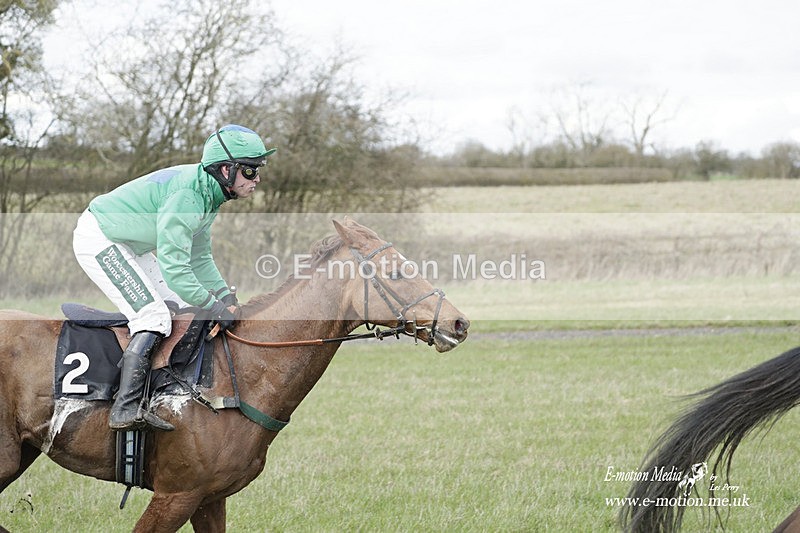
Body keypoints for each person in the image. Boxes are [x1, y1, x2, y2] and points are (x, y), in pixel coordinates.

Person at [73, 124, 275, 432]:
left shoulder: (209, 193)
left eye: (258, 170)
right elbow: (176, 269)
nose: (257, 178)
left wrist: (224, 297)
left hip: (130, 243)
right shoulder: (188, 197)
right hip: (101, 238)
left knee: (187, 307)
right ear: (225, 169)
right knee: (153, 317)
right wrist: (214, 303)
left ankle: (169, 389)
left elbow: (199, 257)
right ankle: (125, 408)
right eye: (249, 171)